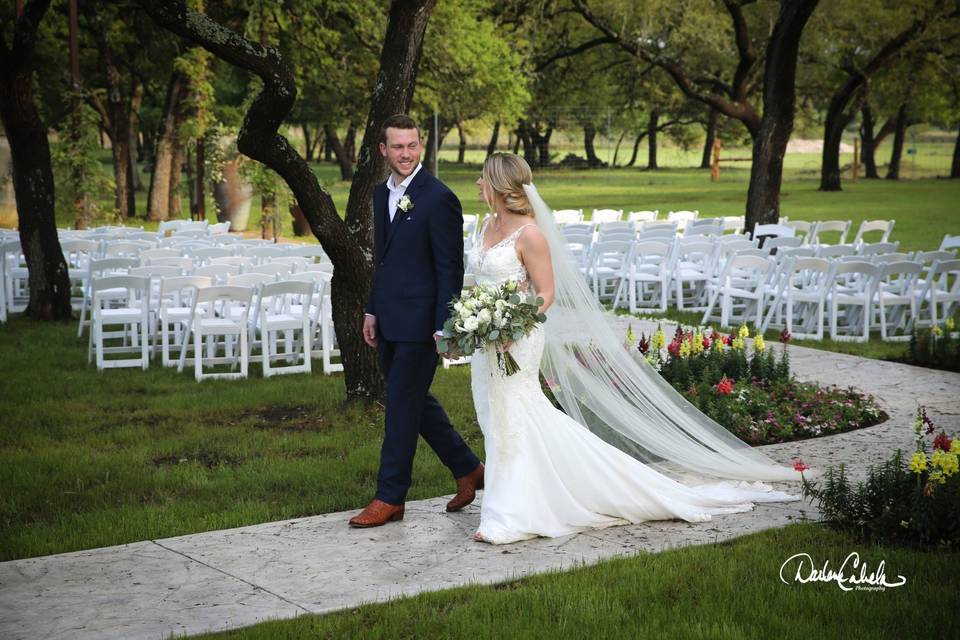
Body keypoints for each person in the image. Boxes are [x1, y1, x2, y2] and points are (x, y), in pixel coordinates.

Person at [468, 153, 804, 544]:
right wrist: (469, 321)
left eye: (482, 177)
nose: (477, 183)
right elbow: (482, 285)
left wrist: (512, 325)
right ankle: (530, 493)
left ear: (499, 184)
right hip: (485, 338)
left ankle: (508, 513)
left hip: (518, 337)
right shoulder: (486, 225)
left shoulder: (530, 234)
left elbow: (546, 294)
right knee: (493, 413)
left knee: (513, 415)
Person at [349, 114, 484, 528]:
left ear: (420, 146)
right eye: (398, 147)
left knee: (400, 408)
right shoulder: (378, 194)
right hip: (388, 318)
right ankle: (469, 469)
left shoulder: (438, 197)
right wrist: (372, 309)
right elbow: (384, 261)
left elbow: (450, 267)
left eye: (412, 146)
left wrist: (446, 323)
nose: (406, 154)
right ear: (383, 150)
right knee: (414, 402)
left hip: (423, 325)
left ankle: (390, 496)